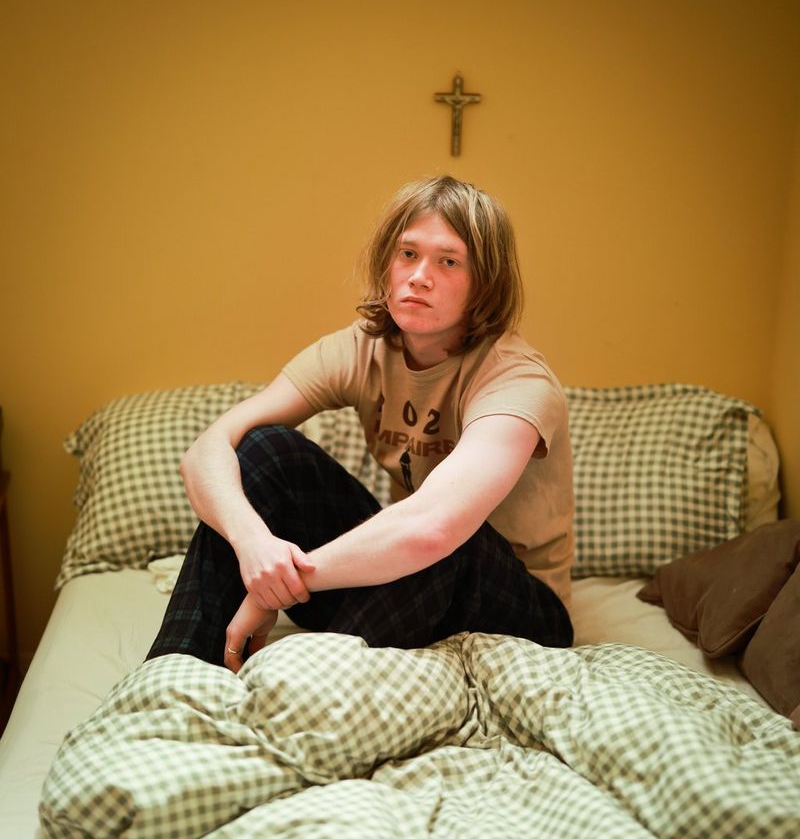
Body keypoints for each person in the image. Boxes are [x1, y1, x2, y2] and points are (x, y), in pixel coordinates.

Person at [146, 175, 575, 674]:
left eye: (448, 261)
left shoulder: (517, 379)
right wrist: (256, 550)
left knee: (452, 534)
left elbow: (433, 530)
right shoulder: (361, 347)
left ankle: (298, 686)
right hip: (402, 579)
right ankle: (173, 676)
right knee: (269, 449)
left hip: (519, 608)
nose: (419, 277)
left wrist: (281, 588)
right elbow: (206, 450)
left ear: (486, 282)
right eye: (408, 254)